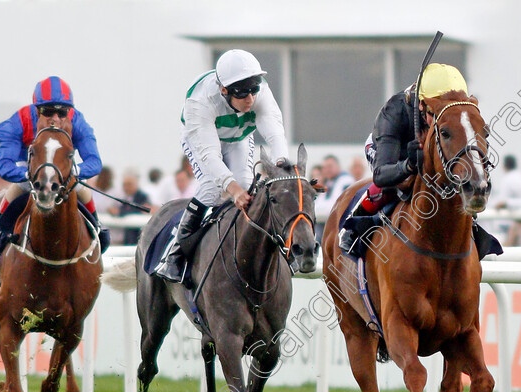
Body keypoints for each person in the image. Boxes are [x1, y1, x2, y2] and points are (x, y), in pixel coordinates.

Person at [155, 49, 289, 282]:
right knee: (211, 187)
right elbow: (210, 156)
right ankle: (174, 254)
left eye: (253, 90)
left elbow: (276, 135)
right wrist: (232, 189)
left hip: (237, 138)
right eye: (242, 93)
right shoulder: (200, 101)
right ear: (223, 90)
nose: (250, 99)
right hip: (203, 141)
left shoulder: (261, 93)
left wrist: (282, 167)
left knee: (247, 186)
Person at [337, 63, 497, 255]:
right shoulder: (394, 111)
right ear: (421, 104)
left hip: (426, 152)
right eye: (433, 113)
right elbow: (381, 174)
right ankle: (353, 226)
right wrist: (408, 164)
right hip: (391, 153)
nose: (437, 119)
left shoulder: (454, 111)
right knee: (397, 185)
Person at [0, 76, 108, 255]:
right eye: (48, 111)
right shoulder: (18, 122)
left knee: (80, 185)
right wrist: (29, 174)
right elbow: (5, 166)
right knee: (22, 186)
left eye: (62, 112)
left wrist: (74, 171)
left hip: (62, 166)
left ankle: (96, 225)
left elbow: (94, 162)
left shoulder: (77, 121)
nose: (55, 119)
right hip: (30, 163)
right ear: (37, 110)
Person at [313, 155, 354, 239]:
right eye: (324, 168)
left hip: (341, 226)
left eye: (330, 166)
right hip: (328, 223)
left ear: (338, 167)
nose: (327, 170)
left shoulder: (345, 181)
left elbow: (333, 207)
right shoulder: (329, 182)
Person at [113, 168, 152, 245]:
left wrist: (120, 212)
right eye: (124, 185)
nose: (126, 187)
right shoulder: (123, 197)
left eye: (129, 184)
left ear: (136, 184)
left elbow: (139, 212)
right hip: (126, 237)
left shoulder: (142, 197)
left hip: (138, 237)